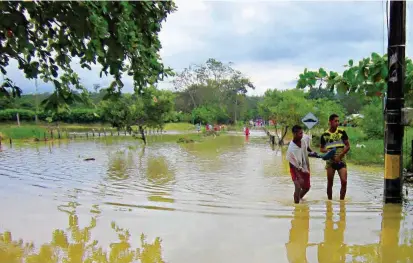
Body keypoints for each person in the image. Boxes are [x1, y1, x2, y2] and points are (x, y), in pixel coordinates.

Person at [320, 114, 351, 200]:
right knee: (330, 183)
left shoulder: (342, 132)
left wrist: (340, 156)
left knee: (344, 182)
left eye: (338, 121)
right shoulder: (324, 135)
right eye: (335, 121)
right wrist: (328, 151)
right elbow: (321, 149)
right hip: (330, 161)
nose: (337, 123)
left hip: (341, 160)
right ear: (330, 122)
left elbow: (348, 146)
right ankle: (329, 202)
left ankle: (342, 203)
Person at [286, 125, 312, 204]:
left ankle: (299, 198)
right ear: (294, 134)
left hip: (304, 166)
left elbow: (307, 147)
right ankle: (296, 207)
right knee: (298, 186)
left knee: (307, 188)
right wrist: (299, 177)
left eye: (302, 133)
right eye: (300, 133)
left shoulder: (303, 139)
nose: (302, 135)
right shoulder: (291, 148)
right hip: (295, 168)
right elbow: (292, 164)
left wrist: (312, 152)